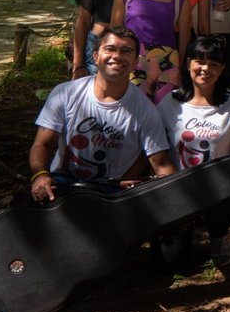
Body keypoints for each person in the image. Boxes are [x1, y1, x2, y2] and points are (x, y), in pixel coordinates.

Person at [29, 26, 175, 202]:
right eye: (110, 49)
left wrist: (179, 198)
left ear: (136, 61)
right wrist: (39, 175)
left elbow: (161, 165)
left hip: (114, 191)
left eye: (126, 51)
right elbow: (42, 144)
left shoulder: (146, 110)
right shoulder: (65, 93)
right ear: (96, 56)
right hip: (63, 183)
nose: (117, 56)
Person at [157, 36, 230, 266]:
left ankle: (219, 235)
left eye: (214, 64)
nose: (205, 69)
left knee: (216, 207)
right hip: (179, 187)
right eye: (199, 61)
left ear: (222, 70)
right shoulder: (169, 103)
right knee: (170, 263)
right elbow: (157, 150)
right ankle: (183, 228)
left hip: (219, 189)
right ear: (188, 63)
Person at [113, 0, 193, 104]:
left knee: (162, 118)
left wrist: (185, 77)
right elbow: (114, 35)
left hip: (168, 69)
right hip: (131, 64)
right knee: (128, 115)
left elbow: (184, 44)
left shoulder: (181, 1)